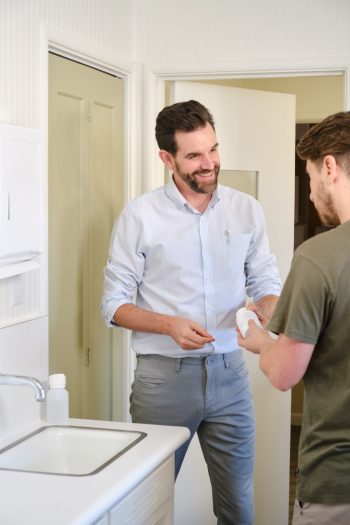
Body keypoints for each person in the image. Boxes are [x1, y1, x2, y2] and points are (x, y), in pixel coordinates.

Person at [101, 99, 280, 524]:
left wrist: (270, 310)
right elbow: (113, 305)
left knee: (238, 507)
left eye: (213, 149)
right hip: (163, 380)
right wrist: (167, 325)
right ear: (167, 158)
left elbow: (266, 282)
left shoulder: (246, 209)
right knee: (145, 504)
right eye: (195, 155)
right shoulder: (140, 216)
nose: (209, 163)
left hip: (230, 376)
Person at [237, 111, 350, 525]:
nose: (310, 192)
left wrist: (258, 340)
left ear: (331, 167)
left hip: (337, 482)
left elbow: (285, 372)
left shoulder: (318, 257)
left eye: (309, 177)